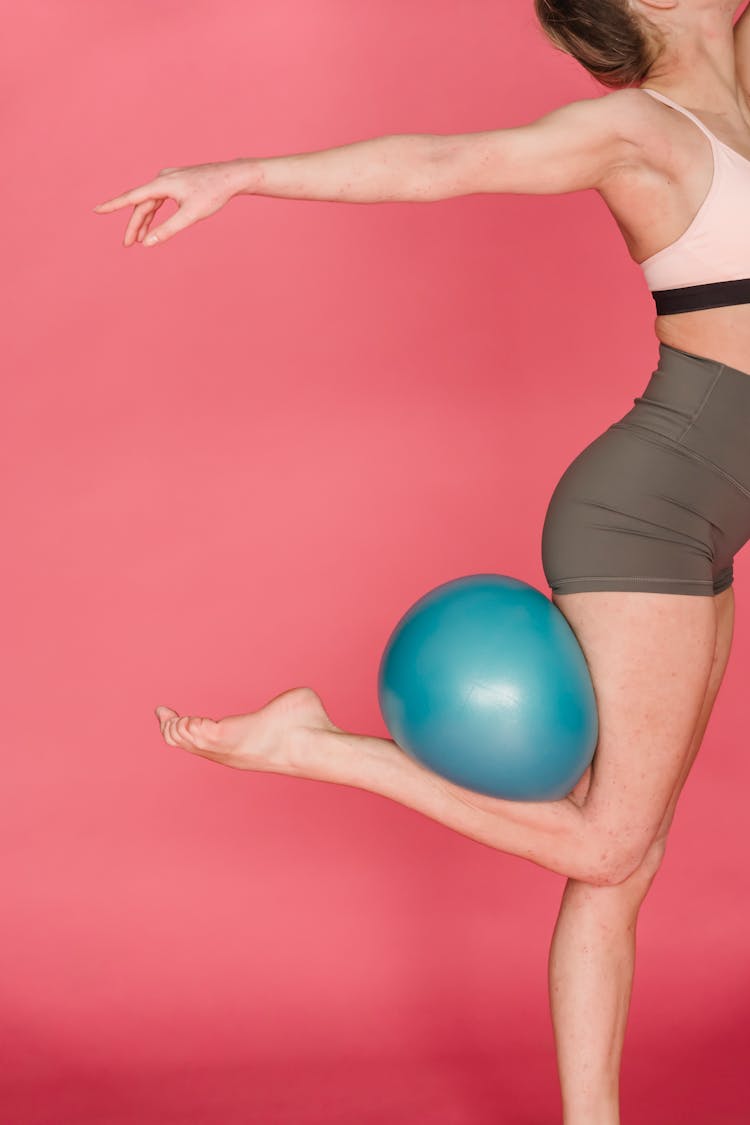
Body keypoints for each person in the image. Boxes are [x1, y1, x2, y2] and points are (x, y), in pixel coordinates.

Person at [93, 2, 750, 1121]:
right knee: (607, 845)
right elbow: (441, 163)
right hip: (650, 507)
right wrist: (241, 172)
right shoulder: (641, 132)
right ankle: (317, 746)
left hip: (709, 507)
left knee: (624, 865)